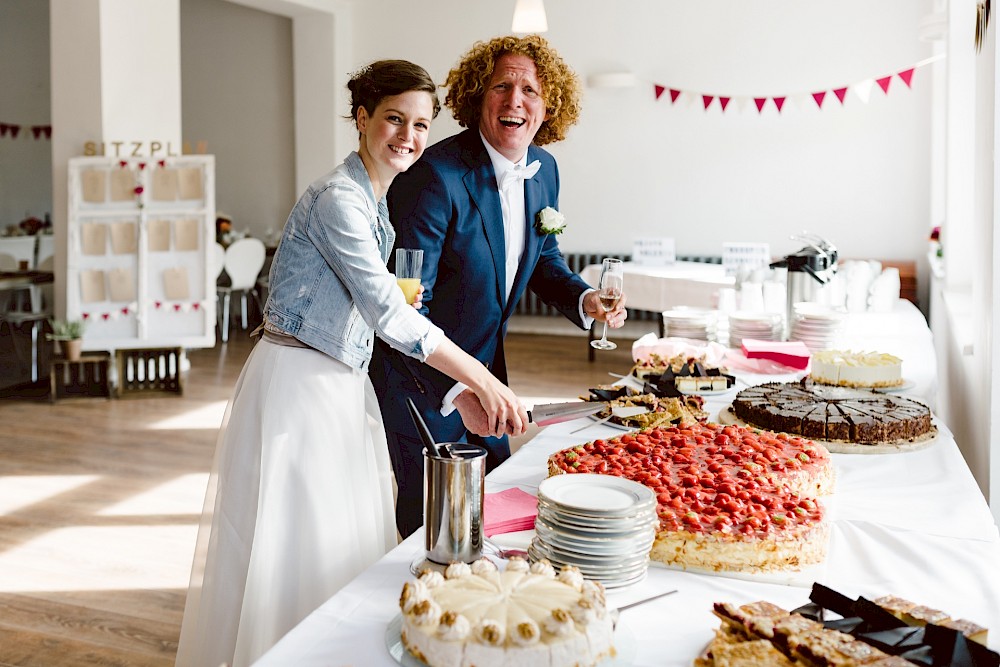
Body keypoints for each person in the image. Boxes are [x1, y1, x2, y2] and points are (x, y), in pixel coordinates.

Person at [175, 60, 528, 667]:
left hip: (338, 383)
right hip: (297, 384)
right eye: (394, 119)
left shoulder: (376, 203)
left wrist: (454, 394)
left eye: (421, 124)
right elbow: (391, 316)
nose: (409, 137)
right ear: (362, 118)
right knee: (298, 546)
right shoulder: (338, 201)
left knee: (337, 542)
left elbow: (381, 328)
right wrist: (483, 377)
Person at [369, 35, 628, 539]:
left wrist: (584, 299)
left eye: (530, 89)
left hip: (491, 375)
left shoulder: (544, 169)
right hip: (426, 384)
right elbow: (404, 304)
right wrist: (459, 389)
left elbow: (543, 258)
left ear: (548, 105)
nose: (515, 100)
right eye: (502, 86)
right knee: (431, 525)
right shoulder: (434, 176)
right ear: (476, 97)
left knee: (487, 513)